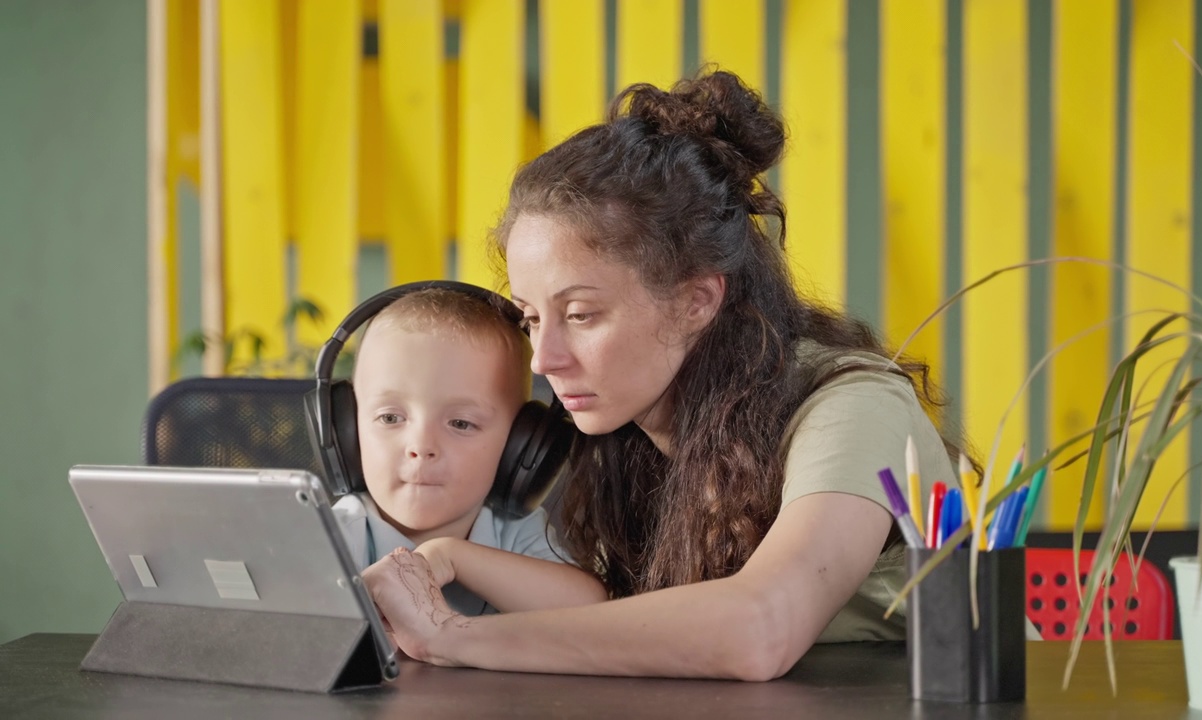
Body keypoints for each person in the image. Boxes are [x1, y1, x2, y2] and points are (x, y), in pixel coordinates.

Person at [362, 70, 969, 679]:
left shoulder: (854, 408)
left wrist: (454, 637)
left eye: (580, 315)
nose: (544, 358)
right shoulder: (621, 436)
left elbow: (761, 628)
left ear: (696, 302)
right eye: (530, 317)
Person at [332, 287, 605, 616]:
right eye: (390, 418)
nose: (421, 447)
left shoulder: (513, 529)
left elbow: (588, 609)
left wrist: (451, 557)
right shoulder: (333, 535)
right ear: (345, 431)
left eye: (460, 423)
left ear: (520, 444)